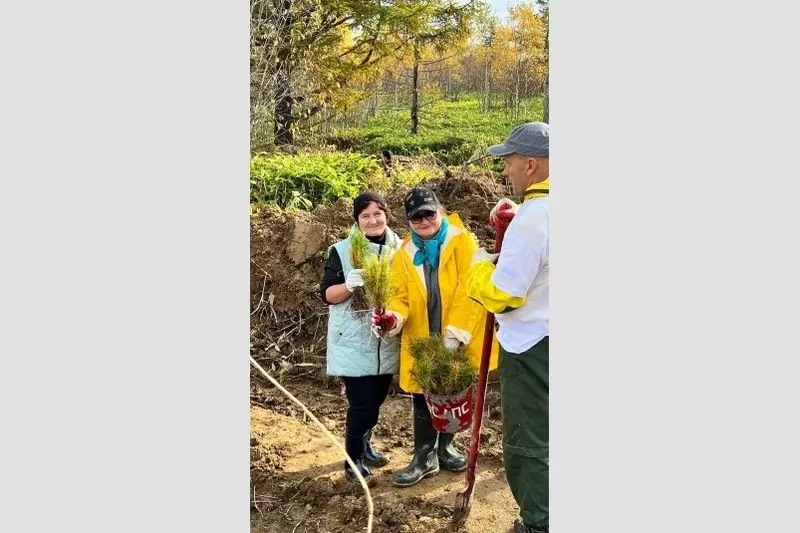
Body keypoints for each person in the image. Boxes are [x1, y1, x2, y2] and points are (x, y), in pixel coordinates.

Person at [373, 186, 499, 488]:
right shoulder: (404, 254)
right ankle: (424, 456)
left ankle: (446, 448)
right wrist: (393, 317)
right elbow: (399, 295)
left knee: (454, 394)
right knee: (422, 396)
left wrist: (455, 335)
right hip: (423, 338)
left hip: (459, 334)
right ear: (408, 221)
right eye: (417, 218)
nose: (425, 221)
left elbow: (470, 290)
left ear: (439, 210)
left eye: (429, 213)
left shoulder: (462, 241)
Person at [466, 122, 550, 533]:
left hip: (533, 349)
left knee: (529, 443)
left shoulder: (535, 219)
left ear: (531, 165)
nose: (505, 172)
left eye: (509, 163)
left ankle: (537, 524)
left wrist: (480, 266)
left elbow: (505, 294)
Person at [321, 191, 402, 487]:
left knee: (376, 401)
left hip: (385, 339)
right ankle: (352, 459)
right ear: (357, 220)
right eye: (364, 215)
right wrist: (349, 285)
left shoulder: (400, 249)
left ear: (386, 215)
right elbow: (328, 295)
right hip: (353, 341)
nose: (372, 220)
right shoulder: (342, 250)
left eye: (377, 214)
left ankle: (365, 447)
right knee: (362, 405)